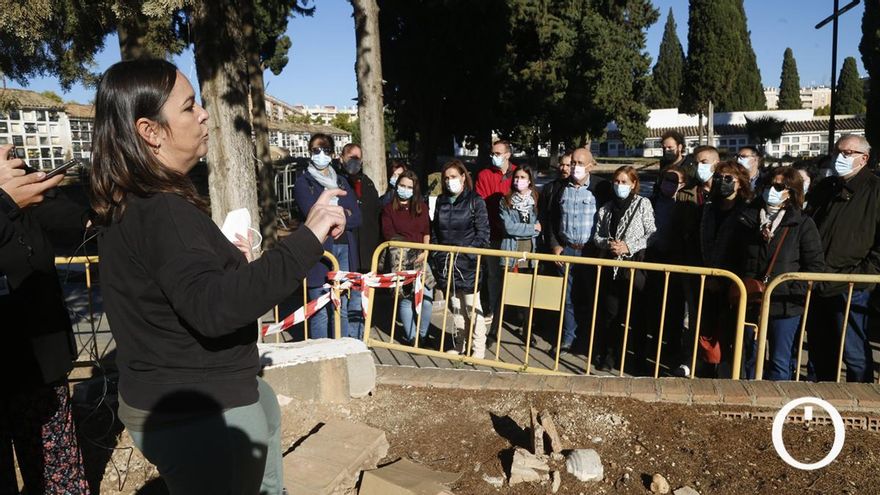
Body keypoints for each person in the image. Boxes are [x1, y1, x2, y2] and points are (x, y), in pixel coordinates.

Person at [90, 59, 346, 495]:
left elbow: (178, 287)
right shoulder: (164, 211)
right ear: (151, 131)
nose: (204, 114)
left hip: (188, 401)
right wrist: (308, 237)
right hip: (201, 415)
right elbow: (215, 308)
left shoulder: (134, 201)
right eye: (189, 107)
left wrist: (227, 261)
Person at [0, 146, 90, 494]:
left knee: (60, 479)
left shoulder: (9, 173)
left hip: (39, 362)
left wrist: (97, 215)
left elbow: (61, 215)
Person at [735, 167, 825, 380]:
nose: (771, 191)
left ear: (791, 192)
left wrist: (791, 289)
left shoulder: (802, 223)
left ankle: (777, 407)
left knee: (779, 360)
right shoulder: (747, 219)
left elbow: (814, 265)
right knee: (749, 357)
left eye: (778, 187)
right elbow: (737, 257)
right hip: (751, 301)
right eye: (768, 185)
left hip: (785, 304)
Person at [806, 134, 878, 382]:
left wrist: (861, 277)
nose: (840, 157)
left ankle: (861, 405)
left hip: (851, 284)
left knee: (854, 353)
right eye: (837, 152)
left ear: (864, 158)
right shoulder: (826, 188)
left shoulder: (875, 191)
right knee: (819, 351)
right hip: (816, 281)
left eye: (847, 153)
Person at [294, 133, 364, 339]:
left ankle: (340, 352)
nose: (321, 155)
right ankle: (321, 356)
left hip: (344, 248)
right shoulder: (303, 183)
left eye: (325, 150)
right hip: (319, 251)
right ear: (310, 152)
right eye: (316, 150)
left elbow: (357, 216)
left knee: (340, 306)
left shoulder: (341, 182)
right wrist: (342, 214)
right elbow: (313, 214)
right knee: (319, 309)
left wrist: (335, 216)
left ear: (332, 154)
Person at [546, 147, 612, 352]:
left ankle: (593, 341)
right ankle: (568, 338)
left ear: (591, 165)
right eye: (573, 162)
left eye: (580, 163)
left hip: (591, 252)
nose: (575, 167)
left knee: (594, 299)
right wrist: (556, 245)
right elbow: (551, 219)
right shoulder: (560, 188)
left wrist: (603, 249)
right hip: (567, 250)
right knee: (567, 299)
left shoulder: (602, 188)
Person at [592, 166, 657, 373]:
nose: (620, 186)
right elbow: (597, 236)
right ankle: (610, 355)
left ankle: (639, 358)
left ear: (634, 184)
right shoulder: (606, 208)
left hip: (633, 268)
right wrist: (608, 244)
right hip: (612, 269)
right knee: (611, 314)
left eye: (624, 182)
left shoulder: (642, 204)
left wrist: (629, 246)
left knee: (637, 316)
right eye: (617, 182)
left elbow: (652, 233)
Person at [698, 161, 754, 378]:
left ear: (740, 183)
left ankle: (729, 376)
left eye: (729, 178)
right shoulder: (708, 210)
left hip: (734, 281)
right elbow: (703, 241)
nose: (723, 182)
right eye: (719, 177)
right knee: (709, 332)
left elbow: (745, 250)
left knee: (733, 334)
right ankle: (708, 370)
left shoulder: (747, 211)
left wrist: (725, 278)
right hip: (708, 278)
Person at [667, 145, 718, 377]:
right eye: (697, 162)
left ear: (716, 164)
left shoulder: (725, 192)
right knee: (695, 316)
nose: (700, 167)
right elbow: (676, 229)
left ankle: (716, 363)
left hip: (719, 269)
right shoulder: (686, 193)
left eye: (705, 162)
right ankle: (693, 360)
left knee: (718, 318)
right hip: (691, 265)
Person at [431, 160, 490, 358]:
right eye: (446, 178)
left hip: (469, 264)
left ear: (463, 177)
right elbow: (436, 233)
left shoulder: (476, 200)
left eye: (454, 177)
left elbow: (483, 234)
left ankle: (478, 348)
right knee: (456, 308)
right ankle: (459, 345)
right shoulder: (441, 201)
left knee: (473, 308)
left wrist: (467, 253)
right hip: (447, 263)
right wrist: (438, 255)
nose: (450, 181)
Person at [381, 170, 434, 345]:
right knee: (405, 300)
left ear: (415, 189)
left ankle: (423, 335)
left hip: (421, 258)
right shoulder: (388, 209)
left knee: (427, 298)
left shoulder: (421, 207)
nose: (405, 189)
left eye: (409, 187)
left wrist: (425, 252)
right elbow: (389, 234)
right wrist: (410, 251)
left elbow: (427, 231)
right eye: (402, 185)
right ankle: (412, 337)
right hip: (401, 260)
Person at [497, 166, 541, 341]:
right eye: (516, 177)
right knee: (504, 292)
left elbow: (540, 227)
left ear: (529, 179)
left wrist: (533, 229)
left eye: (523, 177)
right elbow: (508, 227)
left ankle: (527, 329)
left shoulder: (536, 199)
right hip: (510, 249)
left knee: (527, 293)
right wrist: (531, 228)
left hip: (529, 250)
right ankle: (494, 330)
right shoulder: (505, 201)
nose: (518, 180)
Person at [475, 140, 517, 324]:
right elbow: (480, 202)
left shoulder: (518, 173)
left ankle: (512, 312)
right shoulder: (484, 174)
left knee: (513, 274)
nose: (494, 157)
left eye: (498, 153)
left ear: (508, 154)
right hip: (492, 233)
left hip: (513, 235)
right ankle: (493, 308)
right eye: (492, 153)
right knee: (493, 274)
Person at [340, 143, 380, 275]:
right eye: (351, 157)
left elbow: (374, 213)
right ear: (342, 159)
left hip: (367, 248)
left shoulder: (367, 183)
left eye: (358, 158)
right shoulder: (336, 181)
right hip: (346, 245)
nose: (354, 162)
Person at [538, 152, 571, 252]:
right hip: (552, 241)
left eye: (568, 165)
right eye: (562, 164)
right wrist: (553, 244)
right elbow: (544, 216)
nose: (564, 168)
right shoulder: (549, 188)